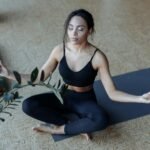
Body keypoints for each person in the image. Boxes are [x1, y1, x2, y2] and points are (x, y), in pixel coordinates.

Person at [1, 9, 150, 141]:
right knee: (28, 105)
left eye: (80, 29)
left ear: (89, 31)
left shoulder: (98, 57)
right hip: (62, 95)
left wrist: (139, 99)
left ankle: (59, 129)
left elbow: (112, 93)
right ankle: (71, 125)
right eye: (70, 28)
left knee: (101, 119)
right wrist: (9, 74)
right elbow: (40, 76)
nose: (74, 33)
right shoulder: (59, 50)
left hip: (85, 100)